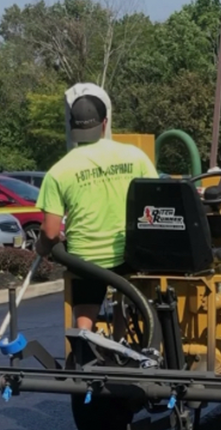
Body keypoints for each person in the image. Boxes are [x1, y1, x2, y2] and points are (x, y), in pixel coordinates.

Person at [35, 94, 158, 333]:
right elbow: (154, 202)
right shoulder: (135, 157)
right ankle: (124, 345)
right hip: (129, 253)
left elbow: (50, 232)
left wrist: (42, 248)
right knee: (126, 295)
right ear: (105, 123)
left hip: (85, 259)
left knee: (85, 308)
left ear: (71, 127)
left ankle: (84, 350)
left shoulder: (59, 171)